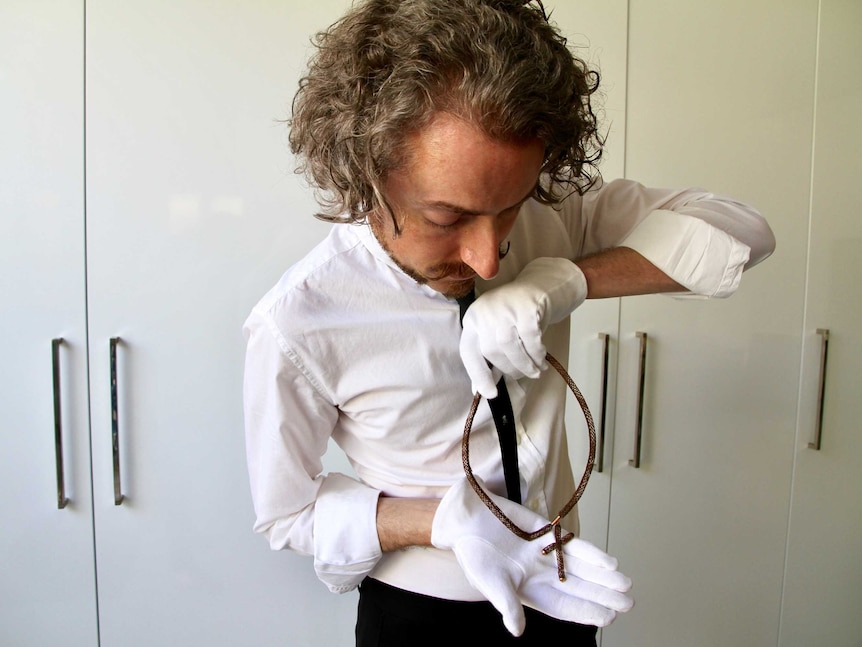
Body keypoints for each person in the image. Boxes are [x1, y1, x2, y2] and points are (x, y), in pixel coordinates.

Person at [242, 1, 775, 645]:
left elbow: (744, 234)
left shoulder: (559, 217)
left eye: (511, 208)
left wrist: (567, 280)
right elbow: (287, 514)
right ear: (365, 173)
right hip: (420, 616)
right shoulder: (299, 319)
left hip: (565, 589)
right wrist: (445, 523)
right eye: (448, 218)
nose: (487, 255)